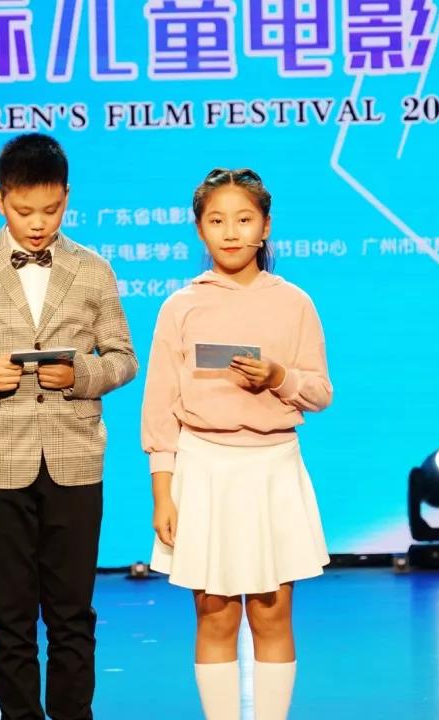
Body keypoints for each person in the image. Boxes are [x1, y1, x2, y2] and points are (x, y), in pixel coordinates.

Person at [0, 133, 137, 720]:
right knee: (9, 615)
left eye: (51, 209)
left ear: (67, 197)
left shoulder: (92, 270)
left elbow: (123, 358)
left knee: (72, 614)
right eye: (24, 210)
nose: (38, 224)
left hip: (75, 459)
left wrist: (82, 374)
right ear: (0, 200)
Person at [141, 167, 332, 720]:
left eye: (244, 219)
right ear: (200, 229)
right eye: (217, 220)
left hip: (274, 467)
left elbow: (320, 392)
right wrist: (163, 493)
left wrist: (278, 377)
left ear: (265, 227)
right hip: (203, 468)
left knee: (272, 612)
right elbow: (159, 410)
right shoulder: (180, 306)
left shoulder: (294, 303)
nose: (231, 232)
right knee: (215, 613)